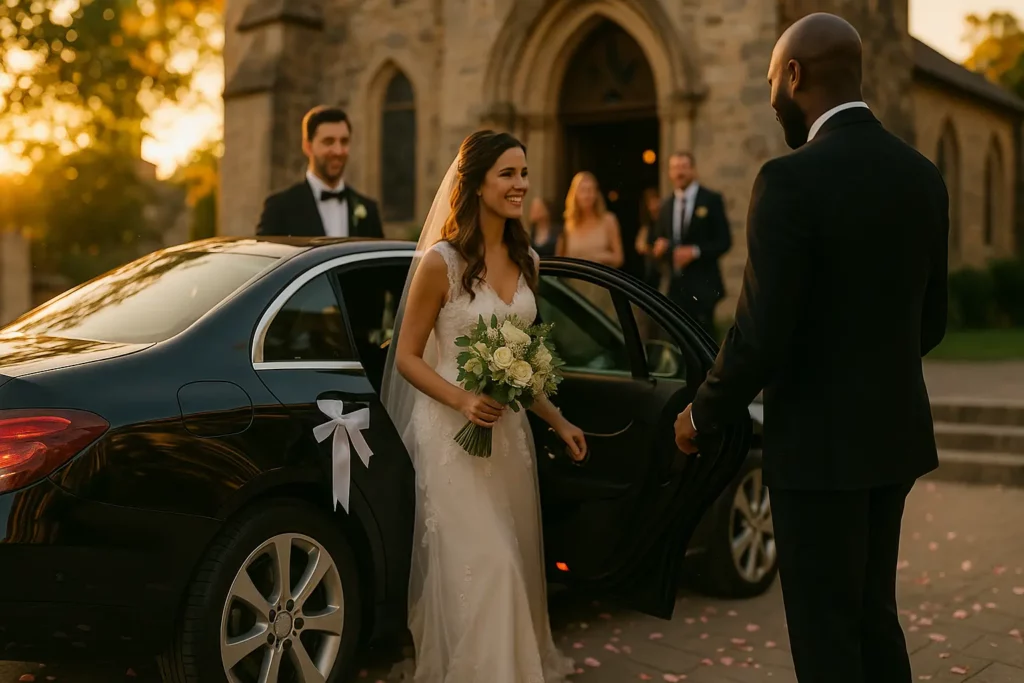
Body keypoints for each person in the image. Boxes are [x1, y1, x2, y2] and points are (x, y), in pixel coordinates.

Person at [674, 13, 949, 683]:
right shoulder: (921, 175)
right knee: (873, 614)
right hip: (892, 438)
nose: (771, 98)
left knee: (825, 632)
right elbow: (933, 322)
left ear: (794, 75)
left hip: (818, 452)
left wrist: (698, 415)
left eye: (771, 79)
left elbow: (760, 336)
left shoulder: (788, 181)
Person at [380, 130, 585, 682]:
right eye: (507, 174)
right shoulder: (439, 264)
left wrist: (559, 420)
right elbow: (407, 357)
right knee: (489, 566)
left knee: (512, 557)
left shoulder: (529, 261)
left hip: (507, 436)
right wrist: (463, 399)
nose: (521, 185)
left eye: (523, 173)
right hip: (448, 432)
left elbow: (524, 368)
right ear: (474, 186)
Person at [256, 105, 384, 239]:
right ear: (307, 146)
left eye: (344, 142)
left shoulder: (369, 210)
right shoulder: (279, 208)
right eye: (329, 142)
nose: (338, 151)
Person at [648, 152, 731, 338]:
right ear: (669, 173)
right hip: (675, 288)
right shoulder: (665, 206)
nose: (680, 173)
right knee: (675, 341)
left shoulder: (711, 200)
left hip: (704, 286)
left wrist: (695, 251)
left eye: (684, 167)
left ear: (693, 170)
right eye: (675, 168)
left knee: (705, 339)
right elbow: (657, 241)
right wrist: (660, 248)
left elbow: (725, 242)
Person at [635, 187, 668, 293]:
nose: (654, 205)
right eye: (651, 202)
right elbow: (639, 245)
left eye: (656, 200)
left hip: (664, 267)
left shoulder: (666, 221)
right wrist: (649, 249)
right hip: (651, 266)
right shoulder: (647, 225)